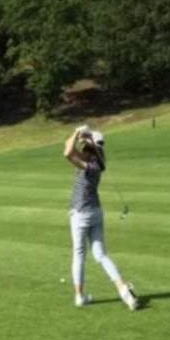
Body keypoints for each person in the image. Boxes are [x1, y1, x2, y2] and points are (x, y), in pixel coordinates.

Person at [64, 125, 139, 310]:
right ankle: (123, 288)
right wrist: (85, 137)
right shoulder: (99, 160)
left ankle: (79, 296)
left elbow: (67, 152)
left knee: (79, 254)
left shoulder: (89, 165)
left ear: (89, 147)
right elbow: (74, 148)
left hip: (81, 214)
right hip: (96, 212)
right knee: (101, 254)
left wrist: (76, 132)